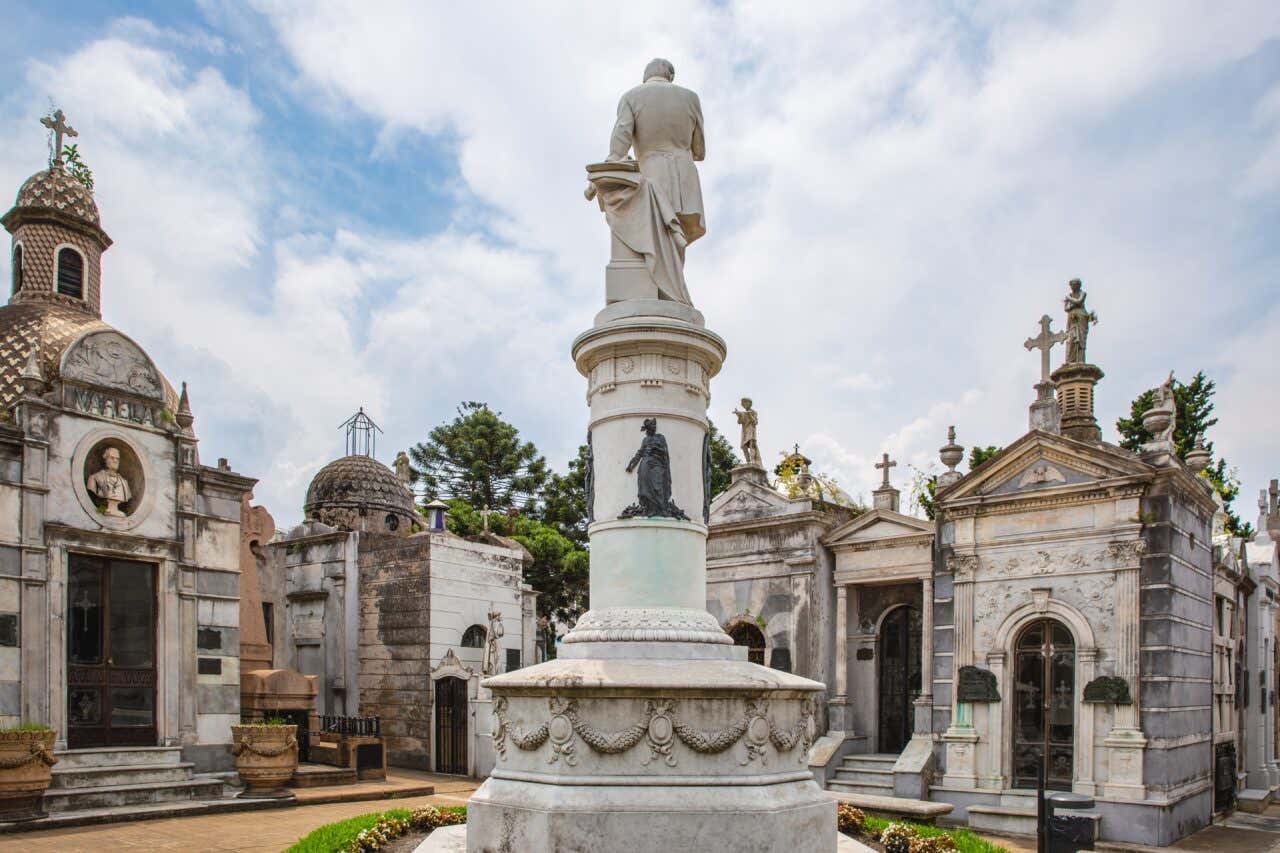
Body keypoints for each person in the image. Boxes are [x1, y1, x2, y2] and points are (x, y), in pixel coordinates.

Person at [86, 446, 131, 516]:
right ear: (105, 460)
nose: (115, 461)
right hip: (102, 509)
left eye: (117, 459)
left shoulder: (124, 483)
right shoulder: (94, 478)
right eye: (112, 458)